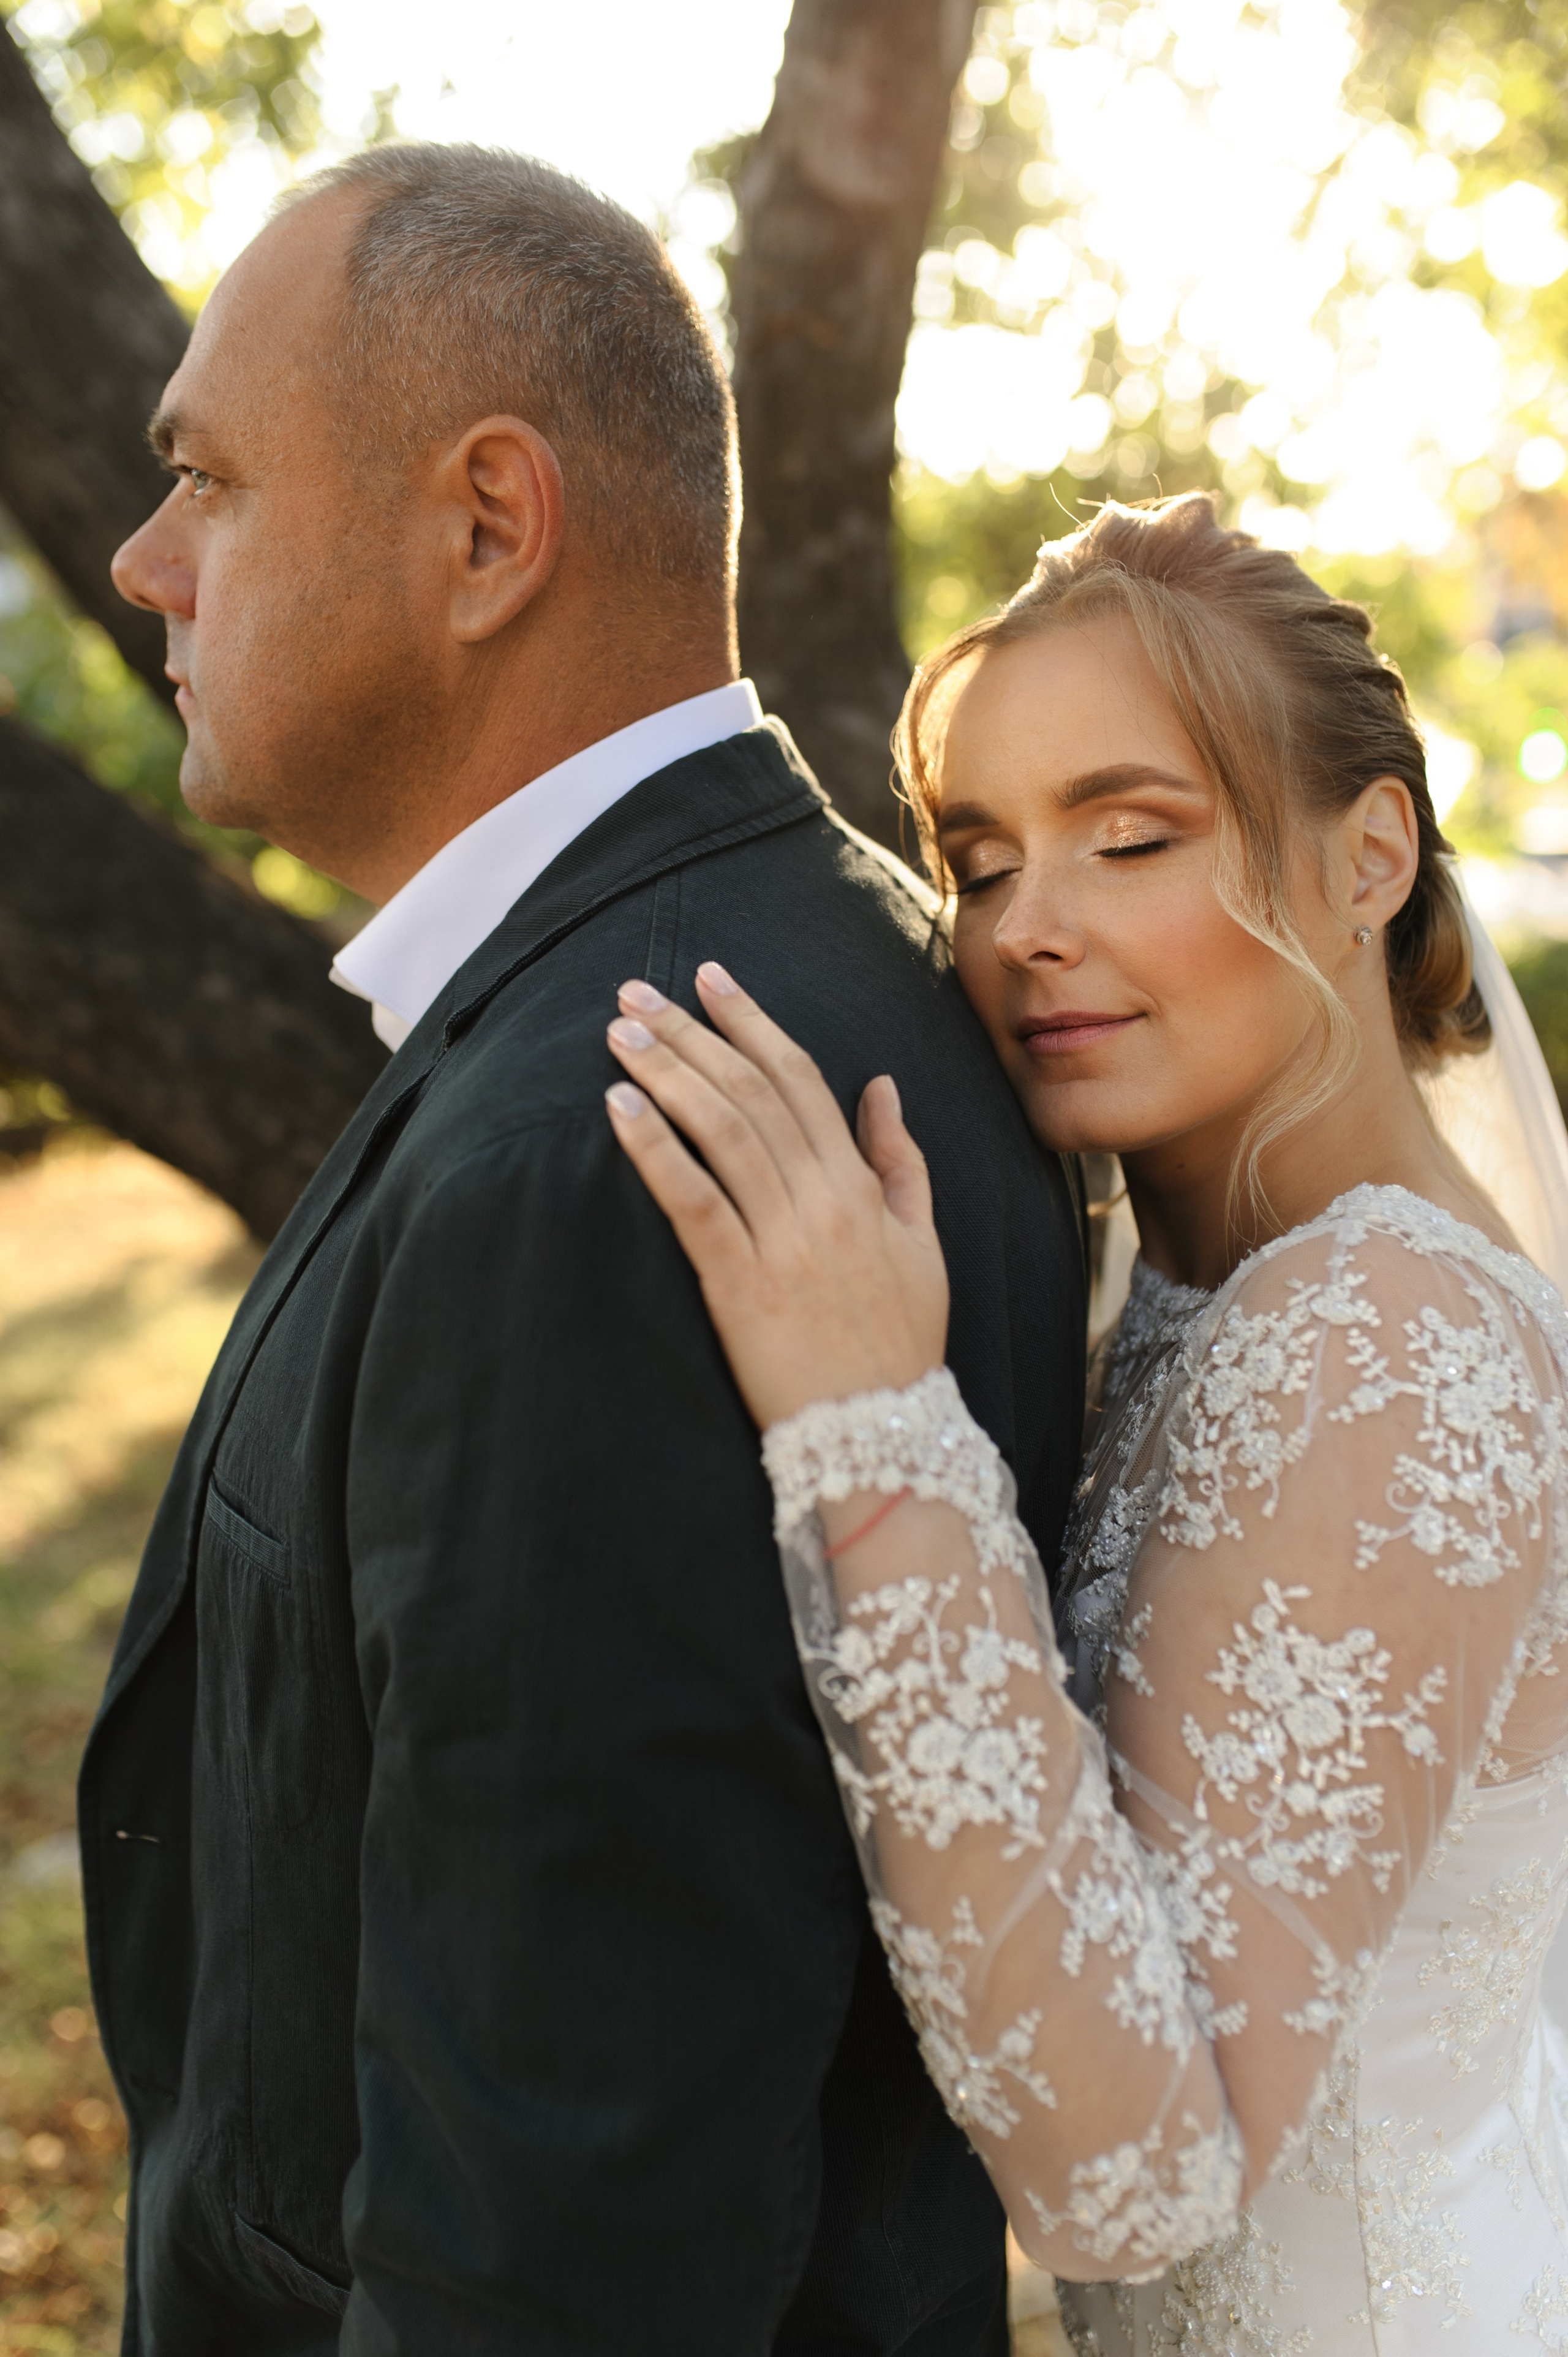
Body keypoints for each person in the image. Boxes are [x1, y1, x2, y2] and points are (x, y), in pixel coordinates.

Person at [86, 145, 1087, 2352]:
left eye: (212, 484)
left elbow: (568, 2238)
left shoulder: (614, 1143)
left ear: (485, 530)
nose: (145, 561)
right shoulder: (783, 972)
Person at [604, 493, 1568, 2353]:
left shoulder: (1389, 1337)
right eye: (976, 862)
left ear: (1371, 857)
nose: (1027, 929)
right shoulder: (1197, 1294)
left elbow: (1133, 2178)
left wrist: (870, 1429)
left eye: (1128, 838)